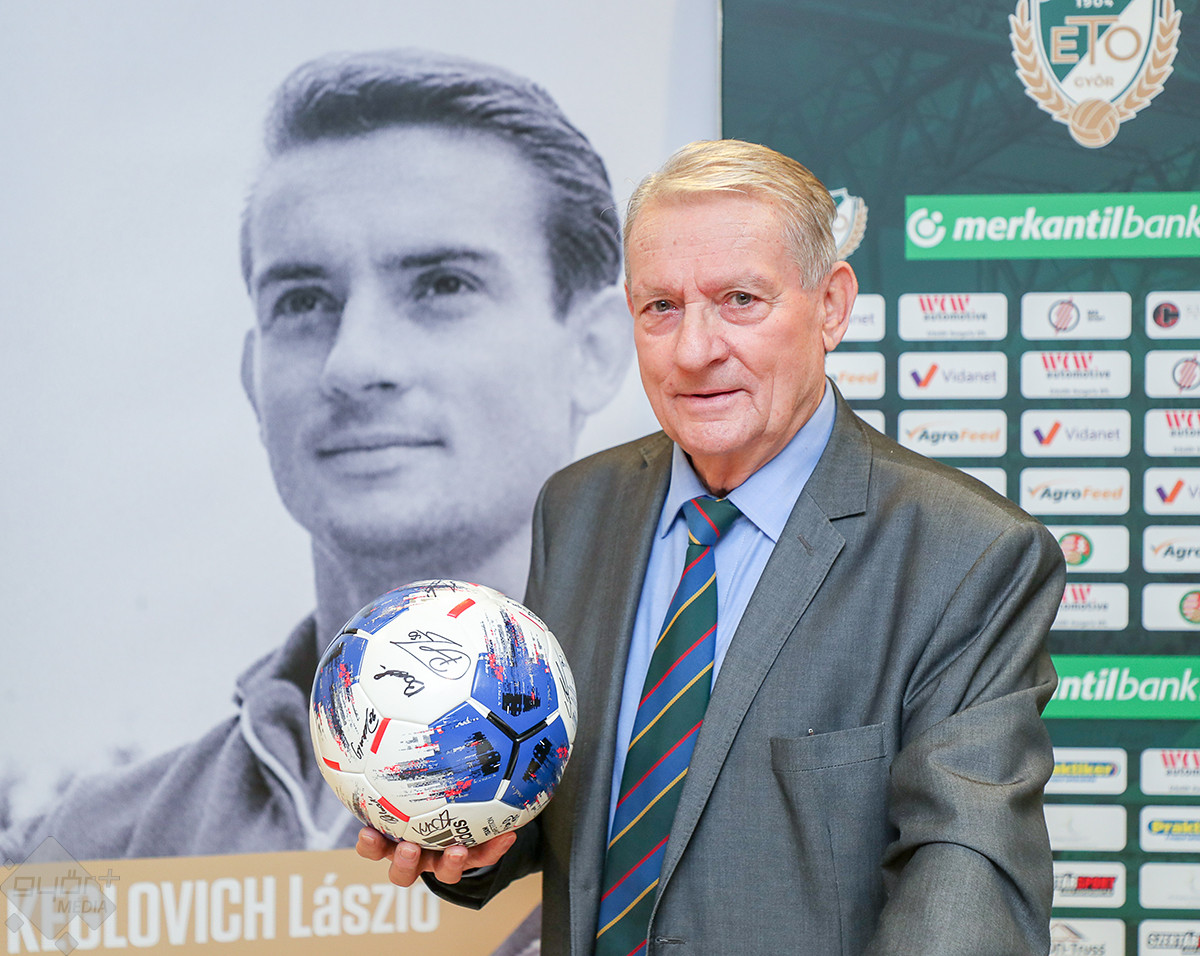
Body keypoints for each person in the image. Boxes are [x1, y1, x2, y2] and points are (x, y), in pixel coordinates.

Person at [358, 140, 1066, 955]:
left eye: (740, 300)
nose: (694, 351)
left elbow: (966, 889)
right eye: (661, 307)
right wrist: (474, 833)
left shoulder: (967, 554)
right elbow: (566, 789)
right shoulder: (579, 508)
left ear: (832, 306)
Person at [0, 49, 630, 862]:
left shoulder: (722, 805)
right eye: (303, 301)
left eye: (443, 284)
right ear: (252, 379)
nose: (353, 362)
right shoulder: (85, 857)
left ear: (595, 351)